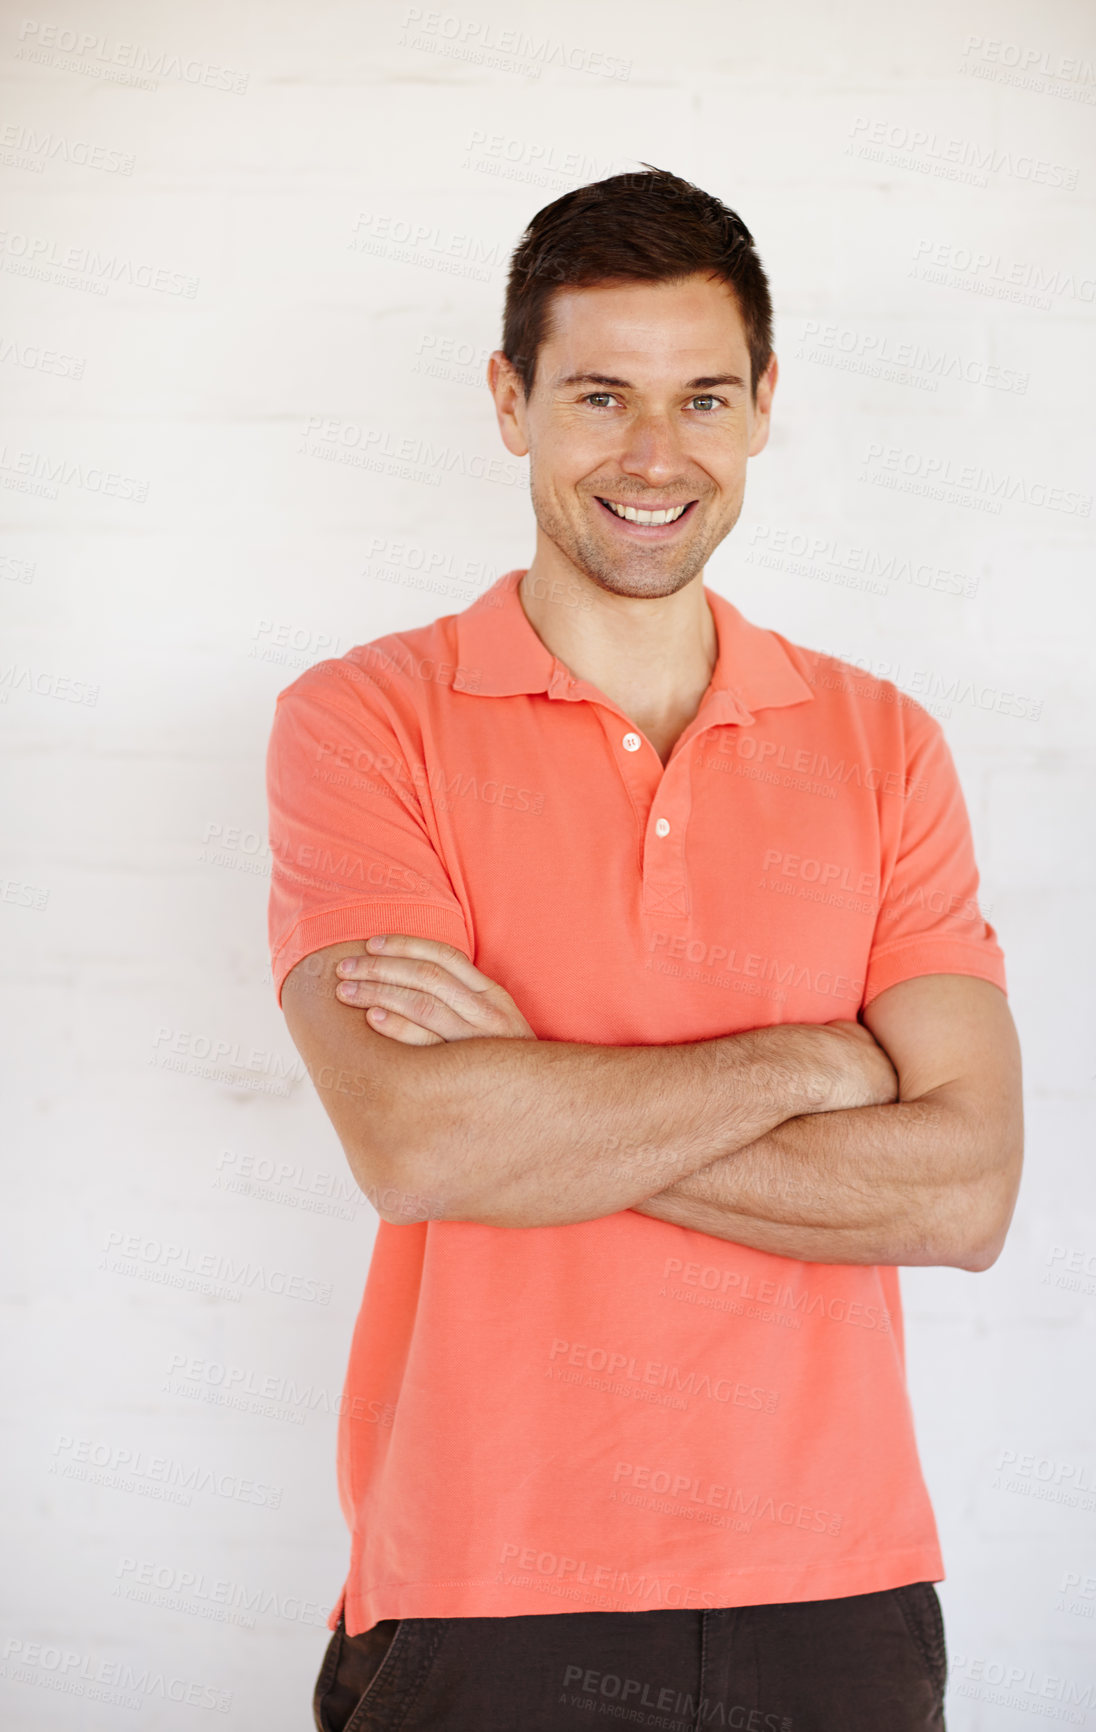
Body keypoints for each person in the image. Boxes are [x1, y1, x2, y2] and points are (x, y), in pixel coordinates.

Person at [266, 166, 1023, 1732]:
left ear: (760, 408)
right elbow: (413, 1142)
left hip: (840, 1589)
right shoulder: (362, 721)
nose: (652, 456)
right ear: (509, 401)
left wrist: (528, 1103)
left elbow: (960, 1191)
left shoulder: (883, 743)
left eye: (701, 398)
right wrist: (815, 1067)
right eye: (598, 395)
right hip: (480, 1580)